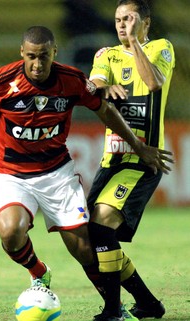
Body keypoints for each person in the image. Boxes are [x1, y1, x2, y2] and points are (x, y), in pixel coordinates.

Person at [0, 26, 172, 319]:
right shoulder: (0, 81)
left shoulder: (71, 80)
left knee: (83, 248)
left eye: (44, 56)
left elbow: (104, 109)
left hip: (57, 174)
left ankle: (116, 308)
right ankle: (39, 272)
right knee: (10, 232)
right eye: (31, 57)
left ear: (54, 53)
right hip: (10, 174)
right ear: (22, 53)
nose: (38, 64)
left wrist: (137, 145)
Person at [86, 1, 175, 320]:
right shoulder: (105, 54)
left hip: (145, 160)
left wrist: (135, 41)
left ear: (146, 22)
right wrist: (104, 86)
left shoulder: (161, 48)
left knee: (102, 225)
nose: (122, 25)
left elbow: (153, 83)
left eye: (130, 19)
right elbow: (92, 87)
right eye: (118, 20)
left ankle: (112, 310)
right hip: (111, 160)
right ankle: (148, 304)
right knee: (93, 233)